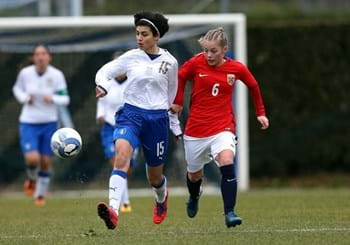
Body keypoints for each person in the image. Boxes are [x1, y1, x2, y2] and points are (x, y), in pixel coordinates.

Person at [171, 27, 269, 228]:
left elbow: (253, 85)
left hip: (222, 127)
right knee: (194, 175)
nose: (208, 55)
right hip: (196, 130)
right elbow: (181, 76)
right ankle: (194, 196)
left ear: (225, 49)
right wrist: (178, 101)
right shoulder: (196, 62)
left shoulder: (237, 68)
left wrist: (260, 112)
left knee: (226, 161)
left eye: (213, 51)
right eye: (206, 50)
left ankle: (230, 212)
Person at [95, 11, 178, 230]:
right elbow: (105, 71)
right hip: (131, 114)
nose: (139, 38)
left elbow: (172, 97)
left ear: (156, 36)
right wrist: (102, 85)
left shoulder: (170, 63)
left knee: (154, 178)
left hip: (157, 119)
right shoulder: (131, 57)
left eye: (144, 34)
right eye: (137, 33)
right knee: (121, 155)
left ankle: (161, 198)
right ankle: (113, 211)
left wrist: (175, 126)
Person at [12, 44, 70, 206]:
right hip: (29, 122)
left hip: (49, 122)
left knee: (45, 161)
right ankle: (31, 179)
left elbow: (65, 99)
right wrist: (25, 98)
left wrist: (53, 98)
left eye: (43, 53)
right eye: (37, 54)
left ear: (49, 57)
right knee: (32, 159)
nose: (40, 57)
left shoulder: (57, 75)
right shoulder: (25, 74)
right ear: (33, 57)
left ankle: (39, 196)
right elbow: (17, 89)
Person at [96, 65, 138, 213]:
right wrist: (100, 115)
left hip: (129, 127)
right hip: (110, 127)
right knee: (117, 161)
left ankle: (122, 200)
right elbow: (101, 102)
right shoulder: (107, 84)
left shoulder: (134, 83)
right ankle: (124, 203)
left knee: (128, 166)